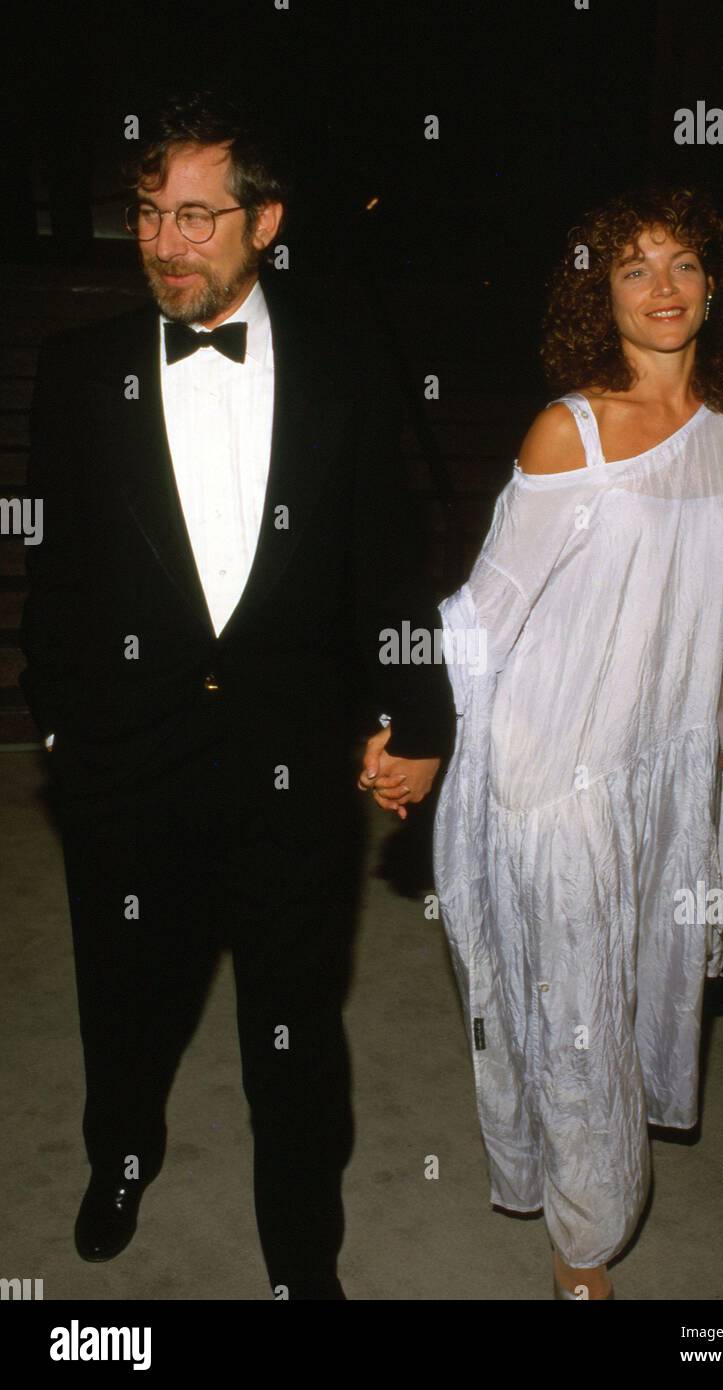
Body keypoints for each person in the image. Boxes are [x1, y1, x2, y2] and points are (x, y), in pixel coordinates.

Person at [19, 92, 454, 1300]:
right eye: (149, 213)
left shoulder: (345, 366)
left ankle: (299, 1260)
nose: (165, 241)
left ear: (264, 220)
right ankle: (122, 1152)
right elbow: (54, 571)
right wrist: (60, 721)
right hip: (122, 764)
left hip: (290, 767)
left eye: (197, 217)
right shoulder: (76, 371)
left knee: (294, 1031)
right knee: (123, 997)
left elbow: (387, 564)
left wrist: (419, 721)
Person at [431, 183, 723, 1300]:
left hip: (675, 763)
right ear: (600, 294)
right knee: (581, 1009)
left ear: (715, 281)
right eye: (633, 268)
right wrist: (419, 738)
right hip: (560, 770)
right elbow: (482, 614)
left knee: (637, 989)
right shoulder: (569, 431)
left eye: (683, 262)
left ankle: (579, 1176)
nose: (663, 287)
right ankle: (583, 1254)